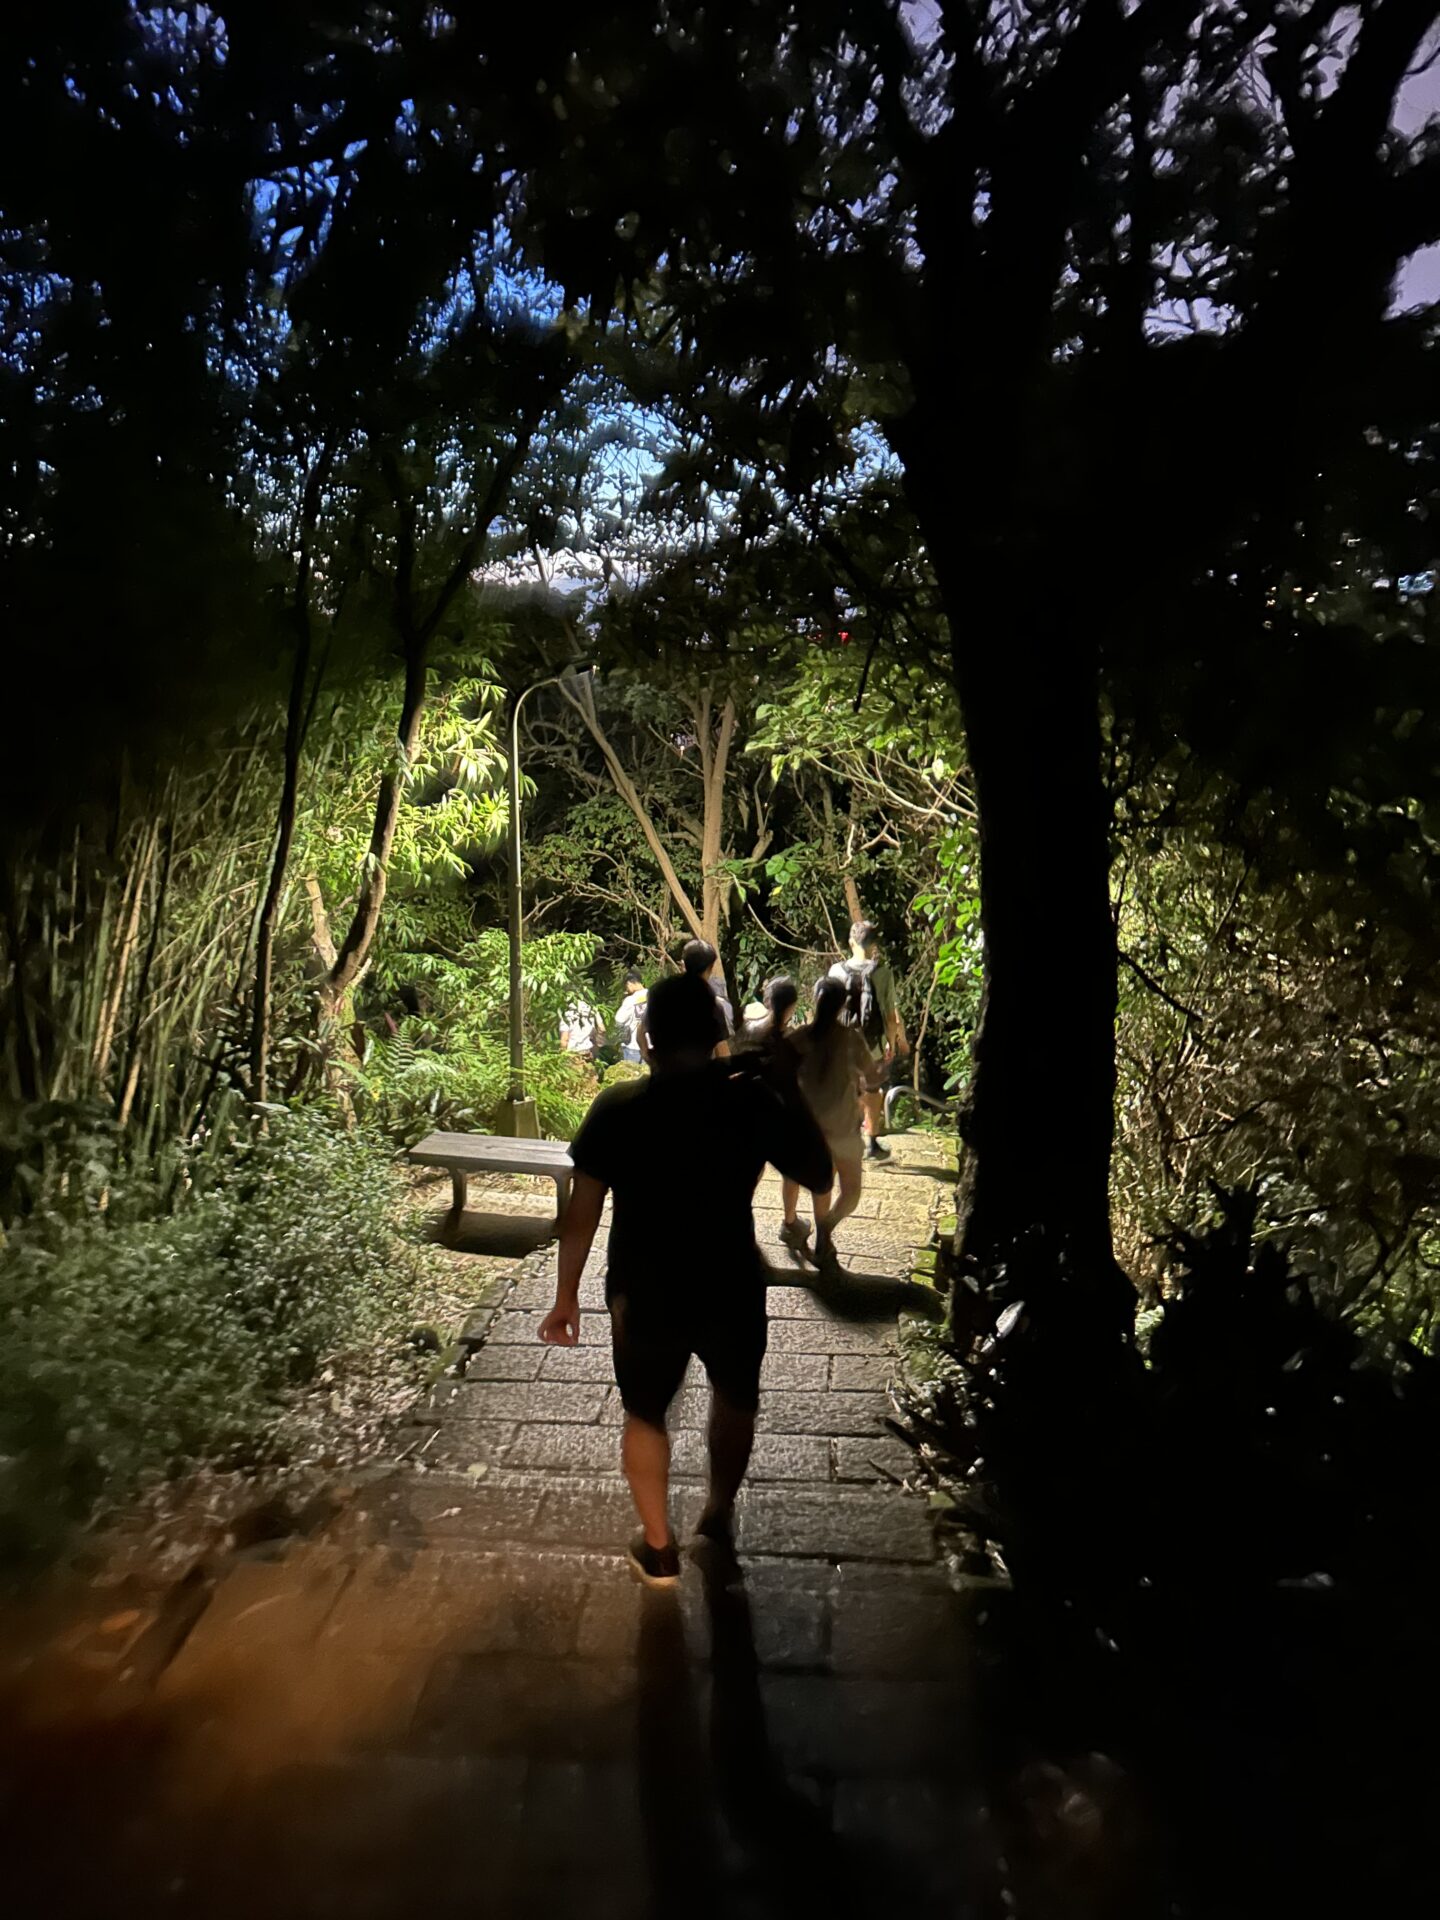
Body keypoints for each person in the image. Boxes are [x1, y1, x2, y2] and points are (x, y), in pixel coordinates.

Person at [539, 972, 832, 1586]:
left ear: (646, 1038)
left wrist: (565, 1297)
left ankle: (659, 1546)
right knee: (735, 1397)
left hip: (644, 1289)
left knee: (644, 1411)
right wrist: (784, 1085)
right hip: (730, 1280)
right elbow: (818, 1173)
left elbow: (582, 1212)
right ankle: (719, 1514)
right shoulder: (751, 1102)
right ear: (720, 1036)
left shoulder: (617, 1108)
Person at [784, 973, 880, 1272]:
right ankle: (825, 1230)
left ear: (814, 1000)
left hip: (806, 1129)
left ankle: (808, 1228)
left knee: (816, 1185)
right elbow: (873, 1075)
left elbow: (777, 1074)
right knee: (850, 1191)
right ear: (843, 1005)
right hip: (842, 1129)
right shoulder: (851, 1039)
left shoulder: (798, 1038)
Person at [829, 919, 908, 1159]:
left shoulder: (835, 971)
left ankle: (846, 1140)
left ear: (851, 942)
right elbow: (890, 1015)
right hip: (871, 1043)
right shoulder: (883, 973)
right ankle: (872, 1144)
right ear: (873, 945)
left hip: (842, 1042)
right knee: (873, 1090)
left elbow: (827, 1009)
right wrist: (891, 1043)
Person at [681, 936, 734, 1057]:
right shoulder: (713, 1005)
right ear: (710, 968)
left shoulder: (662, 997)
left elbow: (642, 1031)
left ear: (683, 965)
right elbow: (722, 1049)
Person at [613, 968, 648, 1064]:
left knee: (632, 1076)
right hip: (650, 1046)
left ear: (630, 983)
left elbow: (619, 1020)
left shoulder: (630, 1000)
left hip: (633, 1046)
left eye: (626, 986)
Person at [559, 994, 604, 1064]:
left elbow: (565, 1040)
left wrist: (562, 1059)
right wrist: (595, 1050)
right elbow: (602, 1029)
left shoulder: (567, 1014)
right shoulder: (592, 1010)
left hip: (572, 1056)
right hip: (588, 1053)